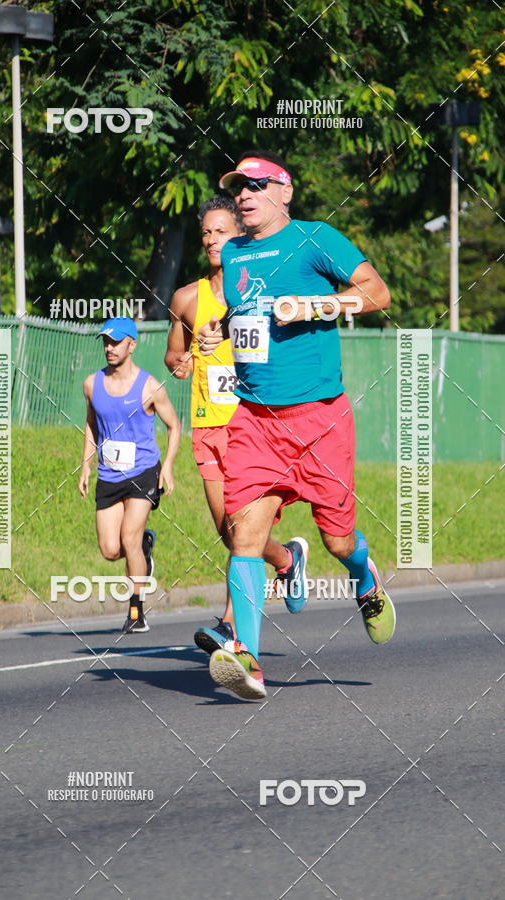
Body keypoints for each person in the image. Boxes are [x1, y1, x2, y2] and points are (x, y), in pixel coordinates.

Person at [198, 150, 396, 701]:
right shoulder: (233, 254)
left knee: (336, 538)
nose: (244, 194)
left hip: (319, 420)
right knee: (245, 535)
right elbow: (243, 313)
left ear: (285, 191)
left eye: (256, 185)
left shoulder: (315, 238)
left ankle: (364, 577)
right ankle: (248, 660)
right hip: (255, 420)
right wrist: (217, 330)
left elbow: (378, 293)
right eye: (238, 187)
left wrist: (313, 306)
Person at [165, 195, 310, 654]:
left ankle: (230, 627)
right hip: (208, 427)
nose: (212, 240)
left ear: (240, 236)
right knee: (228, 532)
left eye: (221, 231)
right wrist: (180, 363)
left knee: (242, 533)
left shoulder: (262, 289)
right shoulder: (187, 298)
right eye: (206, 232)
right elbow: (172, 353)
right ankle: (287, 559)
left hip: (255, 425)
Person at [79, 316, 181, 633]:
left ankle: (135, 611)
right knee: (111, 550)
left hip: (143, 471)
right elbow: (91, 425)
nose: (109, 348)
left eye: (116, 342)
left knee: (129, 538)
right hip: (109, 474)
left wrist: (168, 465)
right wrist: (85, 463)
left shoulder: (149, 386)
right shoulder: (92, 384)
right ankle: (144, 550)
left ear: (131, 345)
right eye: (106, 342)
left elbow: (175, 426)